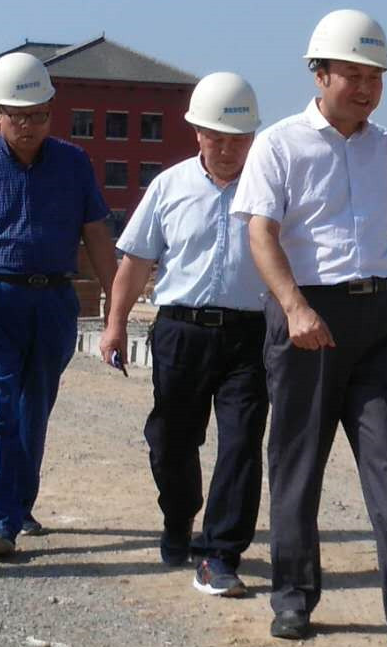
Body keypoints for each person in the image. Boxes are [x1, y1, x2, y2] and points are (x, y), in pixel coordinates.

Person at [232, 9, 387, 646]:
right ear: (320, 74)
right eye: (353, 75)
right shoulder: (280, 145)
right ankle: (293, 597)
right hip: (308, 319)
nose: (366, 88)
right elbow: (261, 233)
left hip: (376, 321)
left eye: (375, 77)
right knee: (298, 463)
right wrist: (295, 308)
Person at [0, 51, 116, 559]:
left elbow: (97, 235)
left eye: (38, 116)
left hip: (52, 300)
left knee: (34, 406)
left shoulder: (74, 164)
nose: (28, 126)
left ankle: (18, 506)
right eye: (18, 116)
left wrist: (114, 305)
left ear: (51, 112)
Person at [99, 72, 268, 598]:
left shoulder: (271, 187)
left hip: (250, 335)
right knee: (171, 439)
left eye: (238, 139)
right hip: (181, 331)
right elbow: (135, 261)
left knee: (241, 442)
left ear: (253, 137)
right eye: (216, 138)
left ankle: (220, 553)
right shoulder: (169, 187)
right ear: (197, 132)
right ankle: (178, 518)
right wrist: (115, 324)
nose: (227, 150)